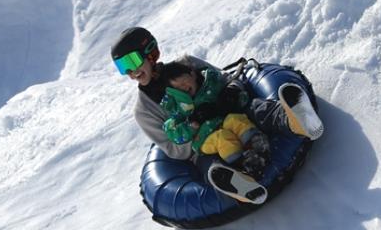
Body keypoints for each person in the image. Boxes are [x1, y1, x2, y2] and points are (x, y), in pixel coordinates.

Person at [110, 26, 323, 166]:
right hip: (206, 142)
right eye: (123, 67)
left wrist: (230, 93)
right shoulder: (144, 111)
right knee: (210, 159)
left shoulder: (187, 64)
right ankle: (236, 181)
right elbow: (174, 149)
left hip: (232, 115)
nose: (130, 72)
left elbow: (227, 79)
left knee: (256, 109)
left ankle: (295, 120)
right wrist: (196, 126)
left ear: (150, 54)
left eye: (132, 62)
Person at [159, 60, 271, 179]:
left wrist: (233, 98)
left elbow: (234, 88)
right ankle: (243, 165)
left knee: (235, 119)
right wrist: (190, 125)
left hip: (224, 120)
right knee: (222, 138)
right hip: (205, 137)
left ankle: (257, 144)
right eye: (178, 88)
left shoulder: (211, 83)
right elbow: (173, 132)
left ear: (192, 74)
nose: (184, 88)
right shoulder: (179, 108)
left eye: (183, 82)